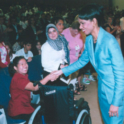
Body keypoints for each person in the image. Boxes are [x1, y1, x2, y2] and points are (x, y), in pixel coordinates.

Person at [54, 4, 124, 124]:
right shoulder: (90, 39)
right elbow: (82, 61)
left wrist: (116, 103)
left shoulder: (110, 42)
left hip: (114, 92)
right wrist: (61, 71)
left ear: (94, 21)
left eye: (82, 23)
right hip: (101, 89)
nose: (80, 27)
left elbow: (121, 74)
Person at [8, 56, 58, 123]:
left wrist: (49, 76)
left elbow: (34, 84)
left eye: (26, 63)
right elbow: (34, 88)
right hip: (18, 110)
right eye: (22, 64)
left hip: (24, 105)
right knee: (41, 114)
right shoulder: (18, 78)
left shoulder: (22, 75)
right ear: (15, 67)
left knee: (44, 109)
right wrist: (48, 77)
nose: (25, 66)